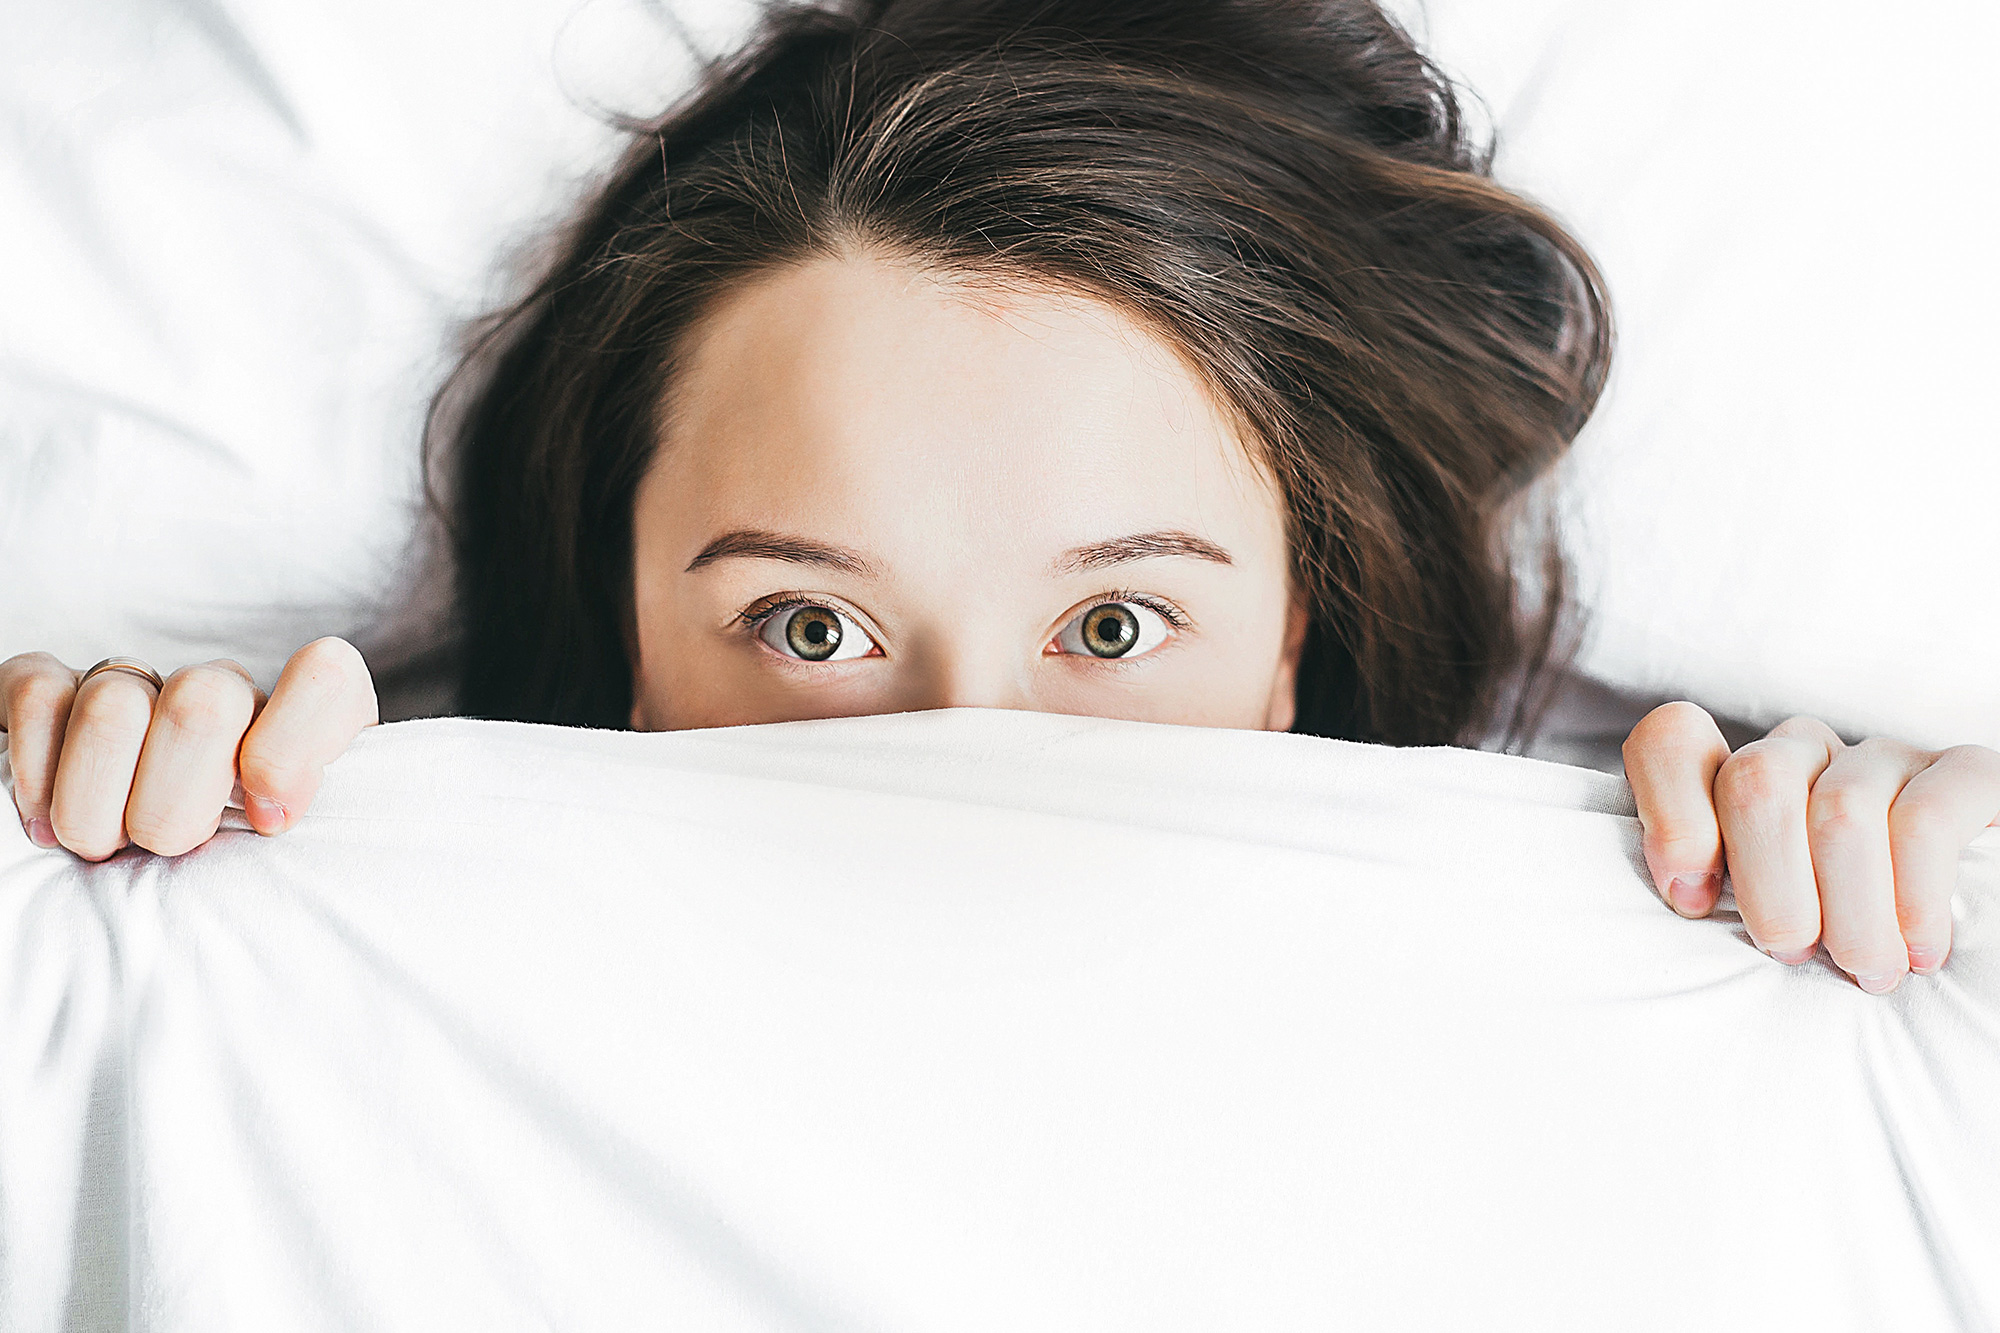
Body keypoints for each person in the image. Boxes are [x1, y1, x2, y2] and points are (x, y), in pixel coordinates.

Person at [3, 0, 1995, 996]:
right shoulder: (332, 954)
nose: (964, 767)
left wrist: (1925, 892)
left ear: (1291, 638)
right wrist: (101, 838)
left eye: (1114, 627)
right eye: (810, 627)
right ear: (623, 646)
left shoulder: (1649, 950)